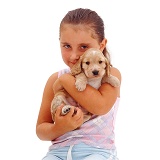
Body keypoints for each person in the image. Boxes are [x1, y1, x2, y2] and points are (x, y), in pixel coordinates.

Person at [36, 8, 121, 160]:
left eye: (84, 47)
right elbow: (41, 129)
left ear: (101, 45)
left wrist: (66, 80)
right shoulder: (54, 79)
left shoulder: (109, 74)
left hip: (98, 151)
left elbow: (100, 106)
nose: (74, 56)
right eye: (67, 46)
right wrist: (58, 127)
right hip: (58, 152)